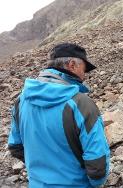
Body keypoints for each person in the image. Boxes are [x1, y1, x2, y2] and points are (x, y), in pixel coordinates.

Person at [8, 43, 110, 188]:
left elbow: (15, 146)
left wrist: (40, 170)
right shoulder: (80, 103)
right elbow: (97, 164)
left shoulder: (21, 100)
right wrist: (93, 184)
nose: (84, 76)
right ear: (72, 65)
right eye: (84, 70)